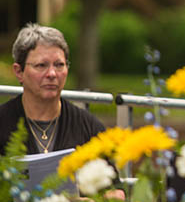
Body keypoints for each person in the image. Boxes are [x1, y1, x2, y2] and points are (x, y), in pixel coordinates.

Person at [0, 23, 106, 155]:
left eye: (59, 65)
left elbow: (110, 174)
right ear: (19, 72)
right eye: (41, 65)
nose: (52, 74)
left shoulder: (89, 129)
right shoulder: (3, 122)